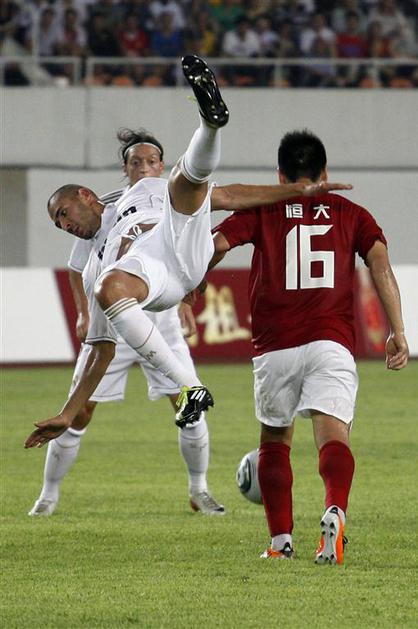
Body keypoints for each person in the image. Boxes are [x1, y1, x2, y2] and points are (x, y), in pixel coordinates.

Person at [25, 56, 351, 484]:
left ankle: (210, 123)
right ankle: (188, 387)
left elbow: (229, 196)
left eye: (64, 214)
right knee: (108, 284)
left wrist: (297, 191)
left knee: (187, 180)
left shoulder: (144, 189)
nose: (64, 225)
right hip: (153, 273)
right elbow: (100, 351)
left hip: (182, 239)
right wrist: (68, 414)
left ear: (87, 196)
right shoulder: (96, 269)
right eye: (57, 224)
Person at [211, 129, 409, 565]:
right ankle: (335, 510)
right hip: (331, 342)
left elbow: (215, 245)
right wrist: (397, 329)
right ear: (326, 170)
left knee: (274, 440)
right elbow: (380, 264)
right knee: (333, 436)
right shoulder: (352, 213)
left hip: (275, 346)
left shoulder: (263, 209)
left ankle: (281, 542)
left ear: (280, 175)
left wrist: (191, 285)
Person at [28, 126, 226, 518]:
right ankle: (48, 495)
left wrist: (185, 297)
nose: (144, 167)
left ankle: (199, 489)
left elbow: (190, 251)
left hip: (160, 318)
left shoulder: (171, 198)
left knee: (188, 405)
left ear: (162, 165)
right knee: (81, 411)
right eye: (136, 162)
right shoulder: (103, 208)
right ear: (126, 169)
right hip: (112, 320)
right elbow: (77, 267)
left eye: (151, 161)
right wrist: (84, 311)